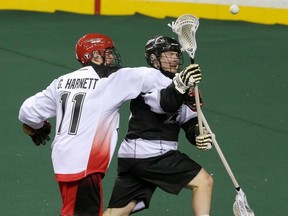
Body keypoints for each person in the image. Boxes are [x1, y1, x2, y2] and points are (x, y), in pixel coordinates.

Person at [18, 33, 203, 216]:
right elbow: (151, 76)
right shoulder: (113, 78)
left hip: (63, 158)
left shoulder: (60, 83)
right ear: (95, 55)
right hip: (85, 164)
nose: (113, 56)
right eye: (108, 52)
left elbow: (27, 111)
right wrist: (182, 84)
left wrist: (37, 128)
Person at [104, 36, 213, 216]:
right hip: (153, 153)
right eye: (169, 54)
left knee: (119, 211)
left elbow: (188, 121)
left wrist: (198, 134)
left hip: (133, 156)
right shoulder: (148, 76)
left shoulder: (180, 84)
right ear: (154, 59)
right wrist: (181, 86)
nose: (175, 58)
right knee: (204, 181)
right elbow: (165, 104)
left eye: (176, 54)